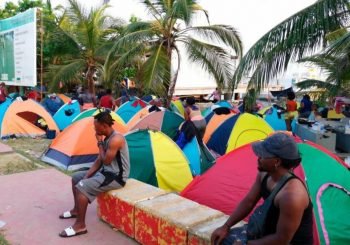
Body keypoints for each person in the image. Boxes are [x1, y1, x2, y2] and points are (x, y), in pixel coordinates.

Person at [211, 133, 313, 245]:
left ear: (277, 162)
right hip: (268, 232)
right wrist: (226, 226)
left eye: (263, 155)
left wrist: (246, 244)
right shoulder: (265, 174)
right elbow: (249, 201)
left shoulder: (292, 196)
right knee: (220, 239)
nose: (258, 158)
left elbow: (282, 240)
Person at [58, 111, 130, 238]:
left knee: (82, 187)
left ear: (104, 126)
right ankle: (76, 210)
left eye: (95, 126)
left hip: (116, 177)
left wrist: (100, 143)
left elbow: (106, 160)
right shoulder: (108, 138)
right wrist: (86, 176)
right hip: (106, 173)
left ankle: (80, 226)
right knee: (76, 178)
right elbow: (99, 161)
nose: (94, 128)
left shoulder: (116, 139)